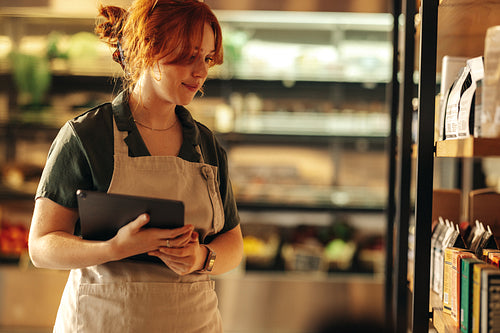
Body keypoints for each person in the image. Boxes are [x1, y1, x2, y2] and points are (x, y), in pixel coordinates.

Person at [28, 0, 243, 331]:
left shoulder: (206, 145)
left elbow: (233, 243)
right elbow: (41, 247)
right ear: (150, 47)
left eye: (207, 58)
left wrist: (200, 258)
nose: (200, 72)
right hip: (103, 322)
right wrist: (113, 248)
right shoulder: (86, 136)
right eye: (189, 56)